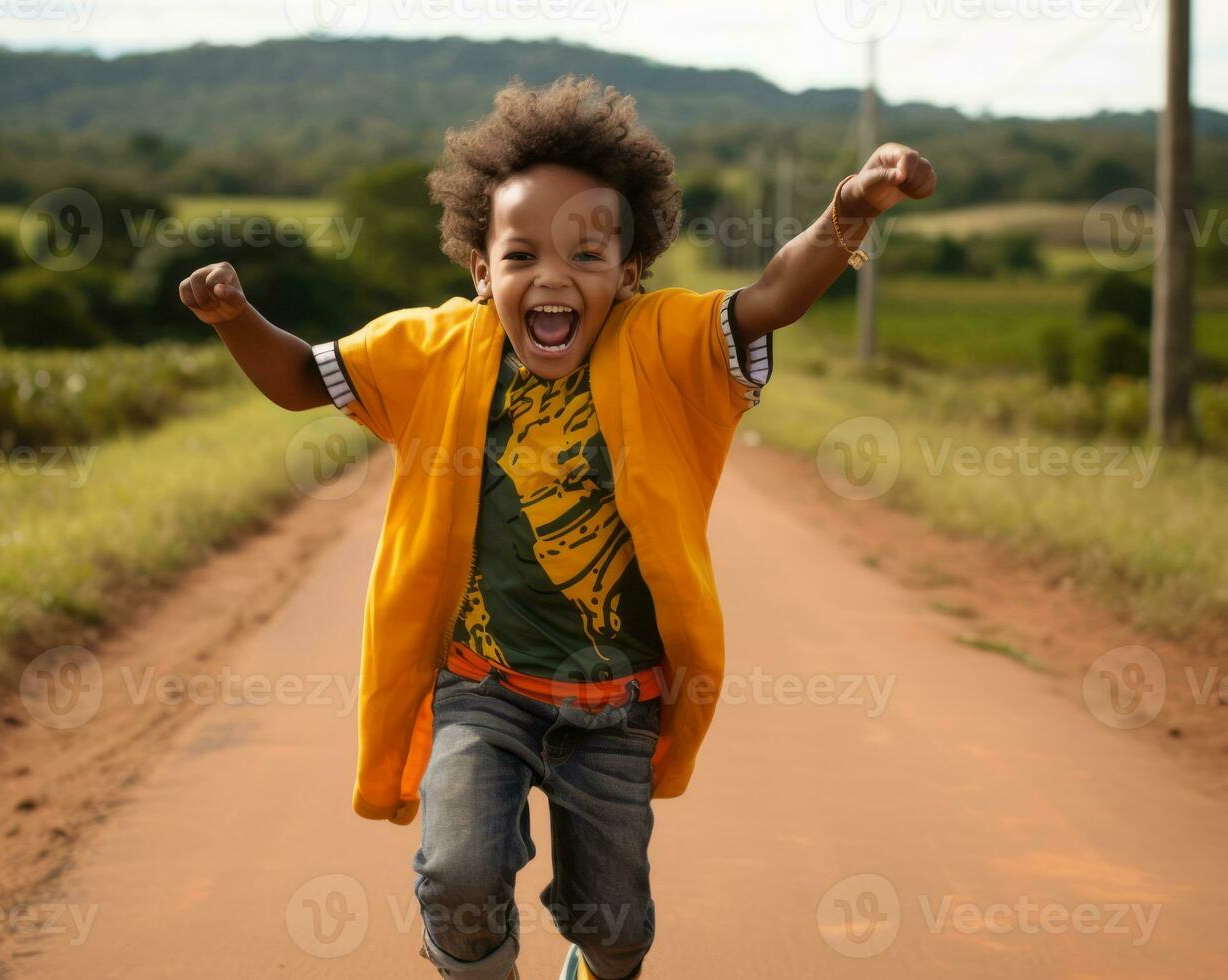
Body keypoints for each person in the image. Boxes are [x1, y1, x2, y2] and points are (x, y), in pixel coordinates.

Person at [179, 74, 935, 980]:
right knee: (457, 879)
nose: (552, 277)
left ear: (629, 271)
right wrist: (235, 319)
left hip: (613, 706)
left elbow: (773, 295)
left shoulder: (665, 346)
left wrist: (847, 213)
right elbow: (305, 377)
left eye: (585, 255)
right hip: (480, 689)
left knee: (614, 928)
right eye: (520, 254)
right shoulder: (433, 353)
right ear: (478, 269)